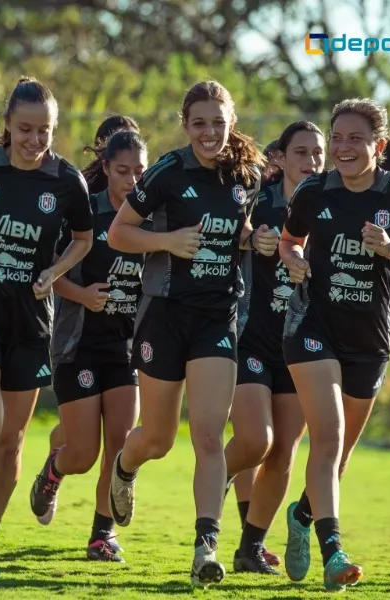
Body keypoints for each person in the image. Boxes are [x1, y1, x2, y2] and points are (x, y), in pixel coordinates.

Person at [106, 80, 276, 588]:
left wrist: (255, 239)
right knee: (157, 438)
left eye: (218, 123)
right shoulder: (166, 172)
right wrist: (168, 241)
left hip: (216, 317)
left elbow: (238, 230)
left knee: (207, 435)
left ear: (231, 123)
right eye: (199, 123)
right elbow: (118, 233)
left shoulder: (244, 174)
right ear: (185, 124)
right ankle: (124, 464)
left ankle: (206, 546)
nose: (209, 132)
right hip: (164, 314)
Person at [279, 98, 390, 591]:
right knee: (326, 438)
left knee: (339, 454)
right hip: (312, 329)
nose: (344, 147)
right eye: (338, 137)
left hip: (367, 342)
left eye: (355, 138)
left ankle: (302, 517)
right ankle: (334, 552)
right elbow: (289, 240)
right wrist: (294, 260)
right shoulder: (313, 190)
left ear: (379, 145)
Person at [0, 76, 93, 578]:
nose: (34, 140)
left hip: (30, 321)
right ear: (6, 126)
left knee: (11, 440)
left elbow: (84, 238)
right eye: (25, 129)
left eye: (44, 130)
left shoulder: (67, 182)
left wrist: (56, 270)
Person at [28, 128, 146, 564]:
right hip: (77, 344)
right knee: (82, 453)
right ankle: (53, 472)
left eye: (139, 171)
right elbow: (49, 274)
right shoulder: (86, 213)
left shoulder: (150, 220)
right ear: (106, 168)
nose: (132, 179)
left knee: (118, 447)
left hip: (125, 348)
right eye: (122, 170)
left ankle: (101, 535)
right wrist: (83, 296)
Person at [223, 122, 325, 575]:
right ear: (280, 158)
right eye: (301, 152)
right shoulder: (258, 201)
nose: (312, 161)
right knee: (254, 440)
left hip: (302, 345)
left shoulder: (333, 206)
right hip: (251, 338)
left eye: (318, 153)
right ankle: (214, 478)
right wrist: (248, 238)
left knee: (283, 451)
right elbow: (223, 235)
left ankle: (250, 548)